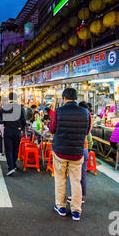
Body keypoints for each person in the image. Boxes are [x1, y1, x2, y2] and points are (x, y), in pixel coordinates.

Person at [49, 88, 90, 221]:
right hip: (77, 152)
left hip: (60, 151)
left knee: (60, 180)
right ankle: (76, 210)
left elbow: (52, 129)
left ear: (64, 98)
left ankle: (60, 206)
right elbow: (87, 131)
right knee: (75, 181)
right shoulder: (85, 112)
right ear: (76, 98)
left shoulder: (59, 111)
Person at [67, 102, 93, 204]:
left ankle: (73, 196)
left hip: (76, 148)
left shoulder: (78, 119)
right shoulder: (88, 119)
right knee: (83, 174)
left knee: (73, 174)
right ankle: (82, 196)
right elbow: (88, 134)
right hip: (85, 148)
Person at [0, 92, 26, 176]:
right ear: (16, 98)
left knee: (8, 149)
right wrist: (21, 128)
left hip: (8, 130)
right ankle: (14, 165)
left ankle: (10, 167)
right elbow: (24, 120)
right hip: (17, 131)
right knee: (15, 148)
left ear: (9, 99)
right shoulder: (20, 107)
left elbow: (1, 120)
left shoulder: (4, 107)